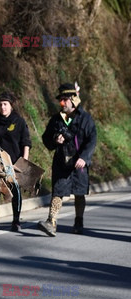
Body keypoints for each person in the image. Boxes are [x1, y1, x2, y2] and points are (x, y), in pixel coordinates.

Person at [38, 82, 97, 236]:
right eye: (60, 100)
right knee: (57, 191)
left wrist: (84, 157)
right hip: (62, 161)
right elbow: (46, 138)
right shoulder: (57, 119)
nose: (62, 103)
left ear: (73, 99)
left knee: (79, 193)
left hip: (79, 163)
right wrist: (54, 140)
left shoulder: (85, 119)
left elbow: (92, 140)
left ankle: (79, 220)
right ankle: (51, 221)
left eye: (65, 100)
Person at [0, 91, 32, 233]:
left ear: (11, 106)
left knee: (16, 192)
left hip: (14, 162)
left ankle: (16, 220)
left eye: (5, 104)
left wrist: (24, 161)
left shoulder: (19, 122)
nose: (3, 107)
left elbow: (25, 142)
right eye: (1, 105)